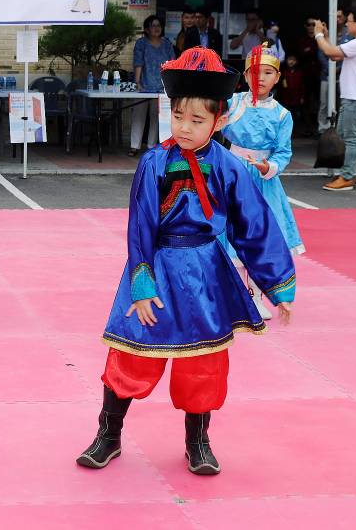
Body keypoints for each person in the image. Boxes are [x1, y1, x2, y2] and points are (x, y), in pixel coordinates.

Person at [76, 46, 296, 476]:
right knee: (129, 356)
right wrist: (142, 283)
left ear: (219, 120)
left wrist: (278, 287)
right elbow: (140, 226)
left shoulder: (231, 168)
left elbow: (254, 227)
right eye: (179, 117)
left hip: (207, 275)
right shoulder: (154, 162)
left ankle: (198, 441)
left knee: (204, 365)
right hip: (156, 266)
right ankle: (109, 434)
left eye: (197, 121)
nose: (185, 128)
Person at [220, 42, 305, 320]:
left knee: (259, 239)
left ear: (277, 77)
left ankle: (255, 296)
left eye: (267, 72)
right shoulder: (232, 104)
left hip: (263, 181)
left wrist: (269, 166)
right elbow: (210, 122)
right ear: (245, 76)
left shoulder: (282, 114)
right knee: (229, 234)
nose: (261, 78)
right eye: (255, 72)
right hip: (231, 174)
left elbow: (284, 152)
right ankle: (232, 295)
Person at [315, 4, 356, 191]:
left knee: (350, 137)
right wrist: (326, 36)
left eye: (349, 21)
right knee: (348, 134)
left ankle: (347, 176)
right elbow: (335, 54)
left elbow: (330, 53)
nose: (347, 25)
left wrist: (318, 35)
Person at [130, 16, 174, 156]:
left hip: (162, 87)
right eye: (153, 25)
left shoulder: (167, 44)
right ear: (147, 29)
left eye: (158, 25)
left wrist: (170, 84)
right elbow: (138, 63)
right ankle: (134, 146)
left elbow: (172, 64)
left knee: (156, 117)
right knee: (138, 115)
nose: (156, 28)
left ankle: (151, 146)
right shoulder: (141, 43)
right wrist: (137, 83)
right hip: (143, 86)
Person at [316, 8, 351, 133]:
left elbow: (349, 54)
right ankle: (322, 129)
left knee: (343, 103)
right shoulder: (327, 33)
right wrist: (330, 68)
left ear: (345, 18)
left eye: (340, 16)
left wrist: (338, 68)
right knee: (324, 103)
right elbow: (321, 53)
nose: (337, 19)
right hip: (326, 74)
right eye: (335, 16)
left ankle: (340, 129)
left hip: (343, 74)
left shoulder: (350, 34)